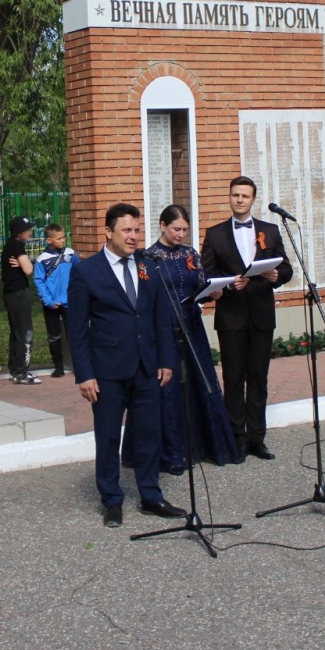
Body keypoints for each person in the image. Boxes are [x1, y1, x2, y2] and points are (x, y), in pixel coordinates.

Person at [66, 203, 182, 527]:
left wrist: (166, 360)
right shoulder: (86, 271)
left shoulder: (147, 266)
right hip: (107, 371)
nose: (133, 237)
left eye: (136, 230)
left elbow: (160, 317)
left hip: (146, 367)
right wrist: (85, 374)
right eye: (126, 230)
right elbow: (76, 330)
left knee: (148, 434)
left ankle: (150, 495)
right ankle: (112, 499)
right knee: (107, 438)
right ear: (108, 232)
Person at [136, 205, 241, 471]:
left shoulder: (190, 253)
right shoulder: (149, 256)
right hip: (164, 325)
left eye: (185, 229)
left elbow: (200, 284)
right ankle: (172, 451)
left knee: (198, 378)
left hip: (191, 324)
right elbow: (144, 295)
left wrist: (212, 293)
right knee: (169, 385)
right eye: (176, 229)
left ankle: (207, 444)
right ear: (162, 226)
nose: (181, 234)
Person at [199, 176, 292, 460]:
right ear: (229, 197)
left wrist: (276, 276)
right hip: (231, 317)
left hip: (262, 316)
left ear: (253, 200)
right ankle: (236, 438)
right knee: (234, 378)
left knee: (259, 378)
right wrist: (228, 285)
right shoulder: (215, 234)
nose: (239, 200)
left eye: (245, 196)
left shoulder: (270, 230)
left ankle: (257, 438)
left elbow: (285, 268)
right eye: (235, 195)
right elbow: (206, 275)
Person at [0, 216, 40, 385]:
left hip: (11, 293)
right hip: (18, 293)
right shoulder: (17, 246)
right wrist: (25, 262)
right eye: (27, 230)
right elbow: (29, 269)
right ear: (19, 232)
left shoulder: (10, 245)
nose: (30, 232)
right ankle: (22, 372)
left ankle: (16, 370)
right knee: (25, 332)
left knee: (16, 332)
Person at [32, 223, 75, 379]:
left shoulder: (70, 253)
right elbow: (39, 281)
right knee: (54, 335)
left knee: (74, 334)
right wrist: (48, 301)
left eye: (64, 237)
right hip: (51, 304)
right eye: (59, 238)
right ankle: (58, 365)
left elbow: (79, 271)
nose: (63, 240)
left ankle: (77, 364)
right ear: (49, 240)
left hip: (69, 302)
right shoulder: (42, 259)